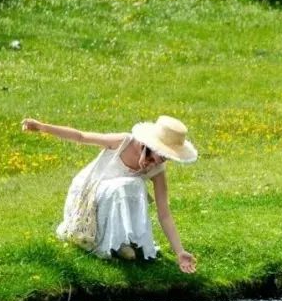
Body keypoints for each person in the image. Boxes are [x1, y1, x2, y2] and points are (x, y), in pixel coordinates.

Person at [21, 113, 198, 273]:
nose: (152, 164)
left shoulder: (157, 169)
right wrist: (42, 127)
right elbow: (81, 136)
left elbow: (164, 214)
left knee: (135, 186)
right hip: (87, 194)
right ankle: (108, 242)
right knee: (131, 184)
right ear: (145, 145)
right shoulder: (123, 142)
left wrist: (180, 251)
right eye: (152, 158)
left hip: (112, 200)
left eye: (162, 159)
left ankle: (120, 241)